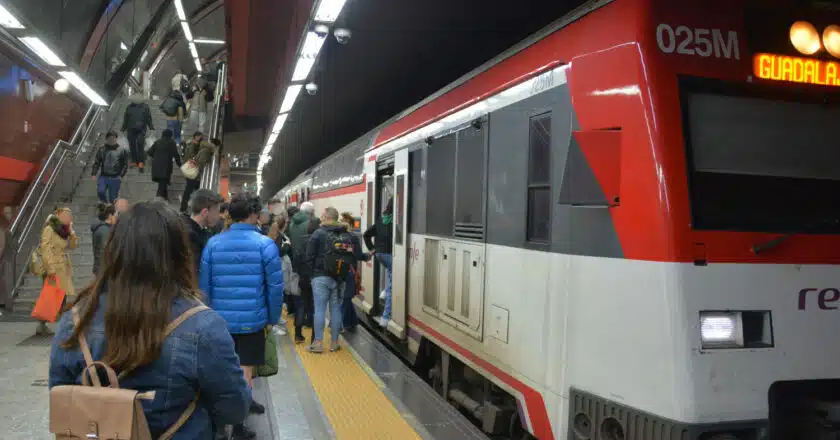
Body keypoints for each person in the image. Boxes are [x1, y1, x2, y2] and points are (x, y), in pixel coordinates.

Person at [49, 201, 251, 439]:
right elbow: (234, 409)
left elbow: (59, 393)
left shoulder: (76, 318)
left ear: (113, 251)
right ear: (178, 255)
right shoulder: (202, 325)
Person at [200, 192, 284, 439]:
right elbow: (275, 288)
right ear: (253, 215)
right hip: (252, 321)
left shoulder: (213, 244)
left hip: (219, 323)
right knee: (245, 372)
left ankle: (218, 424)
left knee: (222, 370)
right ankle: (239, 427)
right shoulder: (265, 244)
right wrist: (272, 316)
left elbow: (204, 287)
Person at [306, 207, 368, 353]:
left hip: (320, 277)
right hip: (340, 278)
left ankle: (318, 343)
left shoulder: (318, 233)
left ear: (327, 217)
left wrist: (312, 275)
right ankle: (334, 343)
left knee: (320, 309)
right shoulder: (347, 235)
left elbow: (309, 256)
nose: (321, 217)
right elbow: (355, 256)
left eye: (322, 215)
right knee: (335, 310)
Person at [36, 207, 78, 336]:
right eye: (66, 215)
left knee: (62, 296)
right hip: (53, 268)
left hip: (63, 267)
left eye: (70, 216)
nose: (69, 218)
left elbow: (72, 246)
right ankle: (42, 324)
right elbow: (45, 248)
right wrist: (50, 269)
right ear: (58, 216)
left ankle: (60, 324)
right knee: (51, 297)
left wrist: (71, 233)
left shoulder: (64, 231)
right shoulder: (50, 229)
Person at [364, 198, 394, 327]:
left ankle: (383, 293)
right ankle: (385, 318)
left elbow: (366, 234)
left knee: (390, 275)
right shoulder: (396, 221)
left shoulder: (382, 219)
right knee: (393, 286)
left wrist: (372, 249)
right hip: (389, 255)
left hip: (380, 255)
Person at [292, 217, 320, 344]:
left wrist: (299, 272)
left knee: (302, 305)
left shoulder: (302, 241)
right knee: (315, 308)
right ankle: (314, 339)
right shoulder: (319, 240)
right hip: (315, 278)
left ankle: (298, 334)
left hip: (303, 278)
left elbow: (296, 259)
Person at [184, 189, 223, 274]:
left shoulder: (200, 232)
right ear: (205, 212)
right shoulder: (190, 237)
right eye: (217, 211)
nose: (219, 216)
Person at [340, 212, 367, 333]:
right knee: (346, 298)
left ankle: (352, 321)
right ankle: (342, 324)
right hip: (349, 271)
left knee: (345, 297)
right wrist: (368, 256)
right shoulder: (353, 237)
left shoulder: (336, 236)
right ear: (351, 224)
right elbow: (358, 255)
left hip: (337, 271)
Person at [181, 135, 218, 213]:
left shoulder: (205, 149)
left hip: (196, 175)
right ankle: (184, 208)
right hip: (195, 175)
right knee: (190, 192)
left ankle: (188, 207)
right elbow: (201, 163)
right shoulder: (207, 151)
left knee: (193, 192)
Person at [90, 131, 129, 203]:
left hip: (115, 177)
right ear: (106, 139)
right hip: (103, 176)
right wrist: (93, 173)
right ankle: (104, 204)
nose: (111, 140)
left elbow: (125, 165)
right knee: (100, 192)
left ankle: (112, 210)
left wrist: (121, 175)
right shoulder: (102, 149)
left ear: (116, 139)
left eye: (113, 138)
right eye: (110, 138)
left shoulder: (121, 150)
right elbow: (97, 162)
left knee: (113, 198)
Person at [122, 94, 155, 171]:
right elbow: (126, 118)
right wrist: (123, 128)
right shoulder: (129, 107)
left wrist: (151, 127)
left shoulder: (145, 107)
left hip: (141, 129)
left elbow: (148, 117)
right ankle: (134, 161)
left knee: (140, 144)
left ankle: (140, 161)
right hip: (130, 129)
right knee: (132, 145)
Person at [147, 129, 182, 200]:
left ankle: (165, 198)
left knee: (163, 183)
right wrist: (180, 165)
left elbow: (149, 152)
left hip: (156, 166)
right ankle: (157, 201)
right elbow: (176, 154)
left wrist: (157, 156)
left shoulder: (157, 142)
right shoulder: (171, 142)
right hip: (165, 167)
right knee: (162, 184)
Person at [90, 202, 116, 275]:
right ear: (110, 215)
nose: (117, 217)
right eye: (116, 215)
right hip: (104, 270)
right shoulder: (105, 230)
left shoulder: (103, 228)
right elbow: (105, 251)